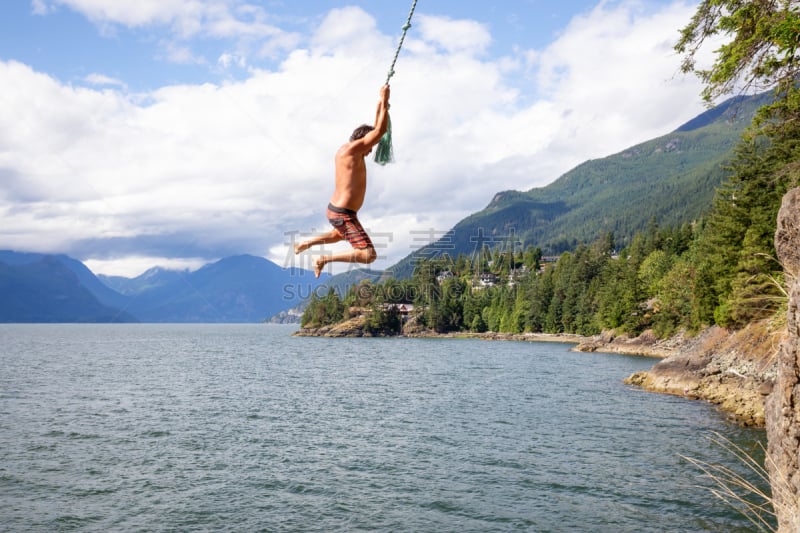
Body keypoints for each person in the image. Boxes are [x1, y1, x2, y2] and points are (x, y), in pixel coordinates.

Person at [295, 84, 391, 278]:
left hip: (339, 210)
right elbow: (379, 131)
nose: (371, 151)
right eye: (370, 146)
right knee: (368, 254)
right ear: (362, 140)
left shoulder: (349, 151)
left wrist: (382, 103)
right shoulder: (352, 150)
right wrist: (385, 97)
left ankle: (306, 243)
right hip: (343, 212)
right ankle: (322, 259)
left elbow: (375, 127)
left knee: (339, 234)